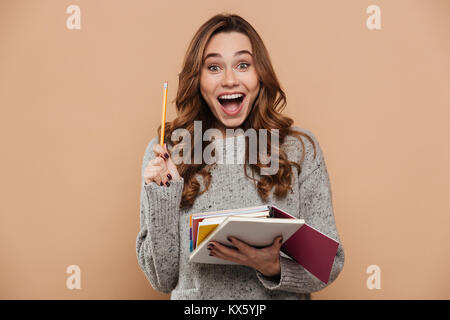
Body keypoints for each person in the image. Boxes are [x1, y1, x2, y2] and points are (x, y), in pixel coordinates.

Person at [136, 13, 345, 300]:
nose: (230, 80)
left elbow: (329, 263)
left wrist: (273, 266)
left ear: (260, 75)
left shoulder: (298, 149)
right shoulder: (168, 152)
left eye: (243, 65)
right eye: (214, 67)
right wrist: (162, 192)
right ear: (197, 80)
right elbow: (162, 279)